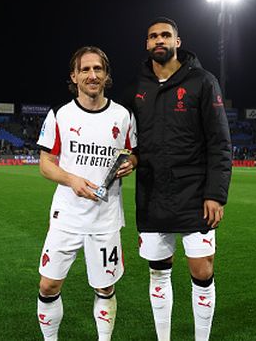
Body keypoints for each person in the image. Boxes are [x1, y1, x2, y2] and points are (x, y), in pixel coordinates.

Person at [130, 17, 232, 341]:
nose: (159, 40)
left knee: (202, 270)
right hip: (152, 193)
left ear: (177, 41)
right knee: (158, 272)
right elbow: (123, 133)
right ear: (146, 44)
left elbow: (220, 141)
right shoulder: (136, 87)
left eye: (165, 35)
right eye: (152, 36)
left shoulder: (203, 81)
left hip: (195, 193)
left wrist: (215, 194)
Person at [36, 46, 138, 341]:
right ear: (74, 76)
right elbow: (45, 164)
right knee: (48, 286)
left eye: (98, 69)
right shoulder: (60, 115)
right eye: (85, 69)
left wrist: (131, 163)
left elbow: (133, 154)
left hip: (105, 219)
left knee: (105, 287)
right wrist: (71, 180)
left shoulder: (123, 116)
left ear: (106, 76)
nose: (92, 75)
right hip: (66, 216)